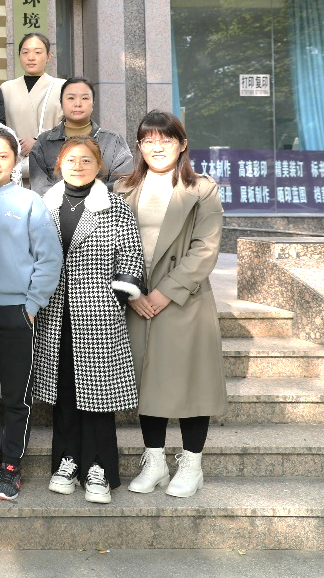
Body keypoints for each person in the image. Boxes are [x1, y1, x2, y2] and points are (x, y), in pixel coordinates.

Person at [119, 111, 226, 499]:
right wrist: (132, 293)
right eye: (149, 140)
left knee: (191, 384)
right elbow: (110, 245)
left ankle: (192, 466)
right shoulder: (123, 188)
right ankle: (155, 462)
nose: (157, 146)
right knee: (148, 384)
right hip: (138, 301)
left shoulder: (202, 189)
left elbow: (205, 248)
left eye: (166, 139)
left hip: (184, 302)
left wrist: (164, 291)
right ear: (139, 146)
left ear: (182, 145)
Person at [35, 136, 145, 504]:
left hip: (98, 315)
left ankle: (99, 467)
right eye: (71, 160)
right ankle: (66, 462)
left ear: (99, 167)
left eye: (87, 160)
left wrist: (116, 299)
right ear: (59, 165)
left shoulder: (114, 206)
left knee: (98, 394)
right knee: (64, 391)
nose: (78, 166)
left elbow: (131, 255)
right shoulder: (44, 206)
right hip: (54, 313)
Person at [0, 128, 62, 501]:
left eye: (2, 155)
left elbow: (49, 258)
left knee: (16, 395)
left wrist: (32, 305)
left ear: (15, 160)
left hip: (17, 312)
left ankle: (11, 465)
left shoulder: (29, 202)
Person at [29, 77, 134, 196]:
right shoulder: (44, 142)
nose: (78, 104)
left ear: (93, 103)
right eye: (71, 98)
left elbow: (123, 183)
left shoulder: (113, 142)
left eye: (84, 98)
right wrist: (69, 202)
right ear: (61, 103)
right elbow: (39, 186)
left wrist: (88, 199)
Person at [1, 33, 64, 185]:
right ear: (19, 56)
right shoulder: (6, 89)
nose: (31, 57)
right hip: (14, 169)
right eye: (25, 52)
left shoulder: (62, 87)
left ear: (48, 56)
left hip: (50, 170)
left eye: (38, 52)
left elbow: (69, 127)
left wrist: (38, 142)